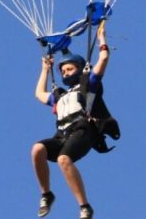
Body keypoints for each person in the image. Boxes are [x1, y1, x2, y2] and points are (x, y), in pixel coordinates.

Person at [31, 25, 113, 219]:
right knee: (37, 149)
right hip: (62, 135)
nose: (66, 73)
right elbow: (39, 94)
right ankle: (46, 194)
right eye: (63, 70)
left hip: (83, 130)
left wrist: (101, 39)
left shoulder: (88, 86)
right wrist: (45, 69)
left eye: (70, 68)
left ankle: (84, 206)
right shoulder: (60, 96)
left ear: (80, 68)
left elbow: (103, 59)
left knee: (63, 159)